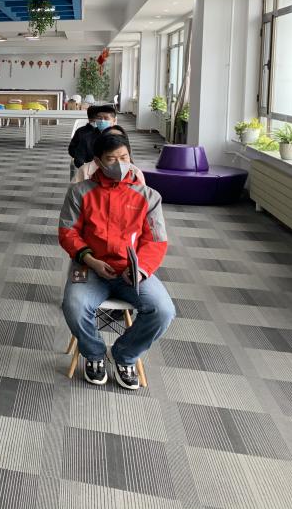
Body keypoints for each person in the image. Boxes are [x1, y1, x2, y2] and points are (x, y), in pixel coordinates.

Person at [59, 132, 175, 390]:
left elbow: (156, 241)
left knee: (163, 310)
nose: (119, 164)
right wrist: (90, 260)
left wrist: (140, 271)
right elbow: (68, 233)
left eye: (124, 157)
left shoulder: (148, 197)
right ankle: (94, 354)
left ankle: (124, 355)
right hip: (91, 267)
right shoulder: (80, 192)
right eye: (112, 159)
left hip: (131, 272)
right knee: (74, 306)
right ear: (98, 161)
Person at [72, 125, 146, 185]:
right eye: (111, 159)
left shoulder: (136, 172)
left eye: (119, 138)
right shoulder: (85, 171)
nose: (115, 141)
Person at [68, 104, 118, 175]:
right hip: (92, 174)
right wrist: (88, 170)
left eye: (106, 118)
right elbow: (79, 158)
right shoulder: (86, 137)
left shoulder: (120, 137)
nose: (102, 121)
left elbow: (127, 160)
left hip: (114, 174)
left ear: (114, 120)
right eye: (99, 118)